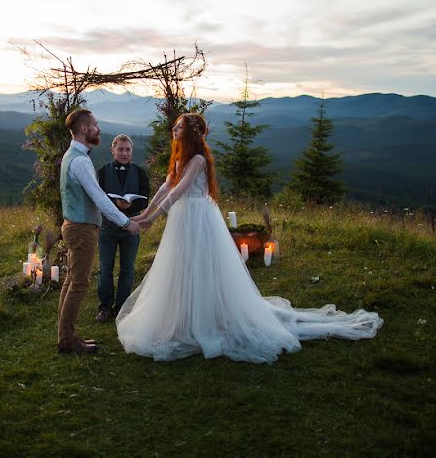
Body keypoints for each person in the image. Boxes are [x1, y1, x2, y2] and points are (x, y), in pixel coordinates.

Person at [117, 113, 382, 363]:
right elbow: (167, 187)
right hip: (183, 219)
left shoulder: (197, 160)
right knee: (181, 266)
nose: (173, 130)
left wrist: (153, 219)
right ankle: (182, 316)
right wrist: (144, 214)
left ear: (189, 135)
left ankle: (207, 318)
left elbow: (179, 192)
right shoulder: (179, 158)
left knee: (202, 265)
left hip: (198, 217)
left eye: (178, 128)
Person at [58, 109, 140, 354]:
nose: (98, 129)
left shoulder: (72, 154)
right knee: (79, 285)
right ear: (84, 129)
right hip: (82, 229)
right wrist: (127, 223)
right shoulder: (81, 161)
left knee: (71, 282)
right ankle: (67, 340)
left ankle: (65, 335)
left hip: (74, 225)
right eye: (95, 125)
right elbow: (101, 199)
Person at [95, 134, 151, 323]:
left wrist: (131, 206)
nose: (125, 153)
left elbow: (145, 199)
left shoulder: (140, 173)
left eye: (128, 149)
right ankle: (104, 307)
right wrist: (114, 204)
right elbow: (97, 197)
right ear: (113, 150)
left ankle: (122, 307)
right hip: (107, 228)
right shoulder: (102, 172)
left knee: (127, 269)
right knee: (105, 269)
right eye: (121, 149)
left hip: (131, 227)